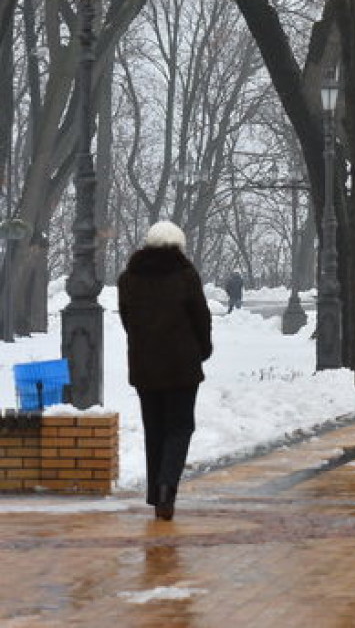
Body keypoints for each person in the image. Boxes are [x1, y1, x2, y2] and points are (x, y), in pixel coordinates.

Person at [117, 220, 212, 521]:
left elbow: (127, 319)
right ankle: (166, 489)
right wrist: (203, 348)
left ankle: (154, 493)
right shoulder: (185, 275)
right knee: (180, 427)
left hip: (145, 367)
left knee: (154, 429)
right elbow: (201, 316)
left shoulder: (129, 278)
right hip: (182, 366)